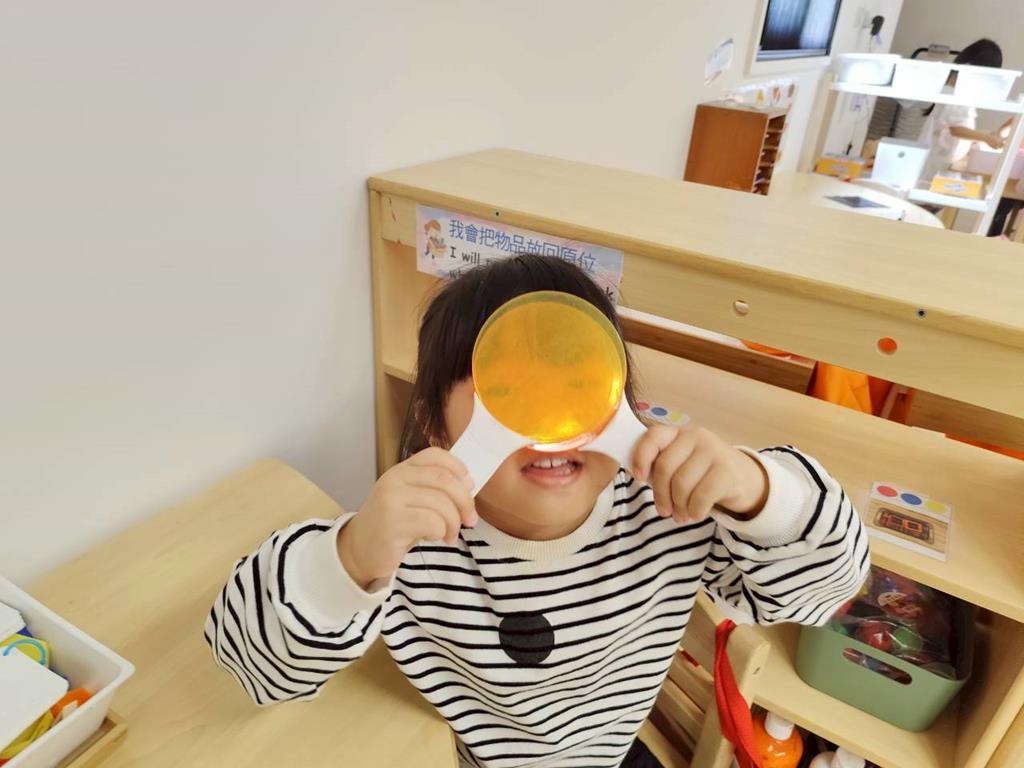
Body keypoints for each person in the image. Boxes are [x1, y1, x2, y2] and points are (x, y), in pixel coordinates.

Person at [206, 254, 870, 768]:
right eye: (511, 392)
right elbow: (256, 669)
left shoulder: (669, 514)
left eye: (579, 385)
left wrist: (762, 491)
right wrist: (350, 557)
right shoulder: (411, 544)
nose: (553, 430)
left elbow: (827, 588)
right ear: (434, 426)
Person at [918, 39, 1012, 185]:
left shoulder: (958, 88)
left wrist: (983, 136)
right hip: (934, 166)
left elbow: (951, 126)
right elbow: (955, 129)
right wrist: (985, 138)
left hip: (940, 161)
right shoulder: (958, 91)